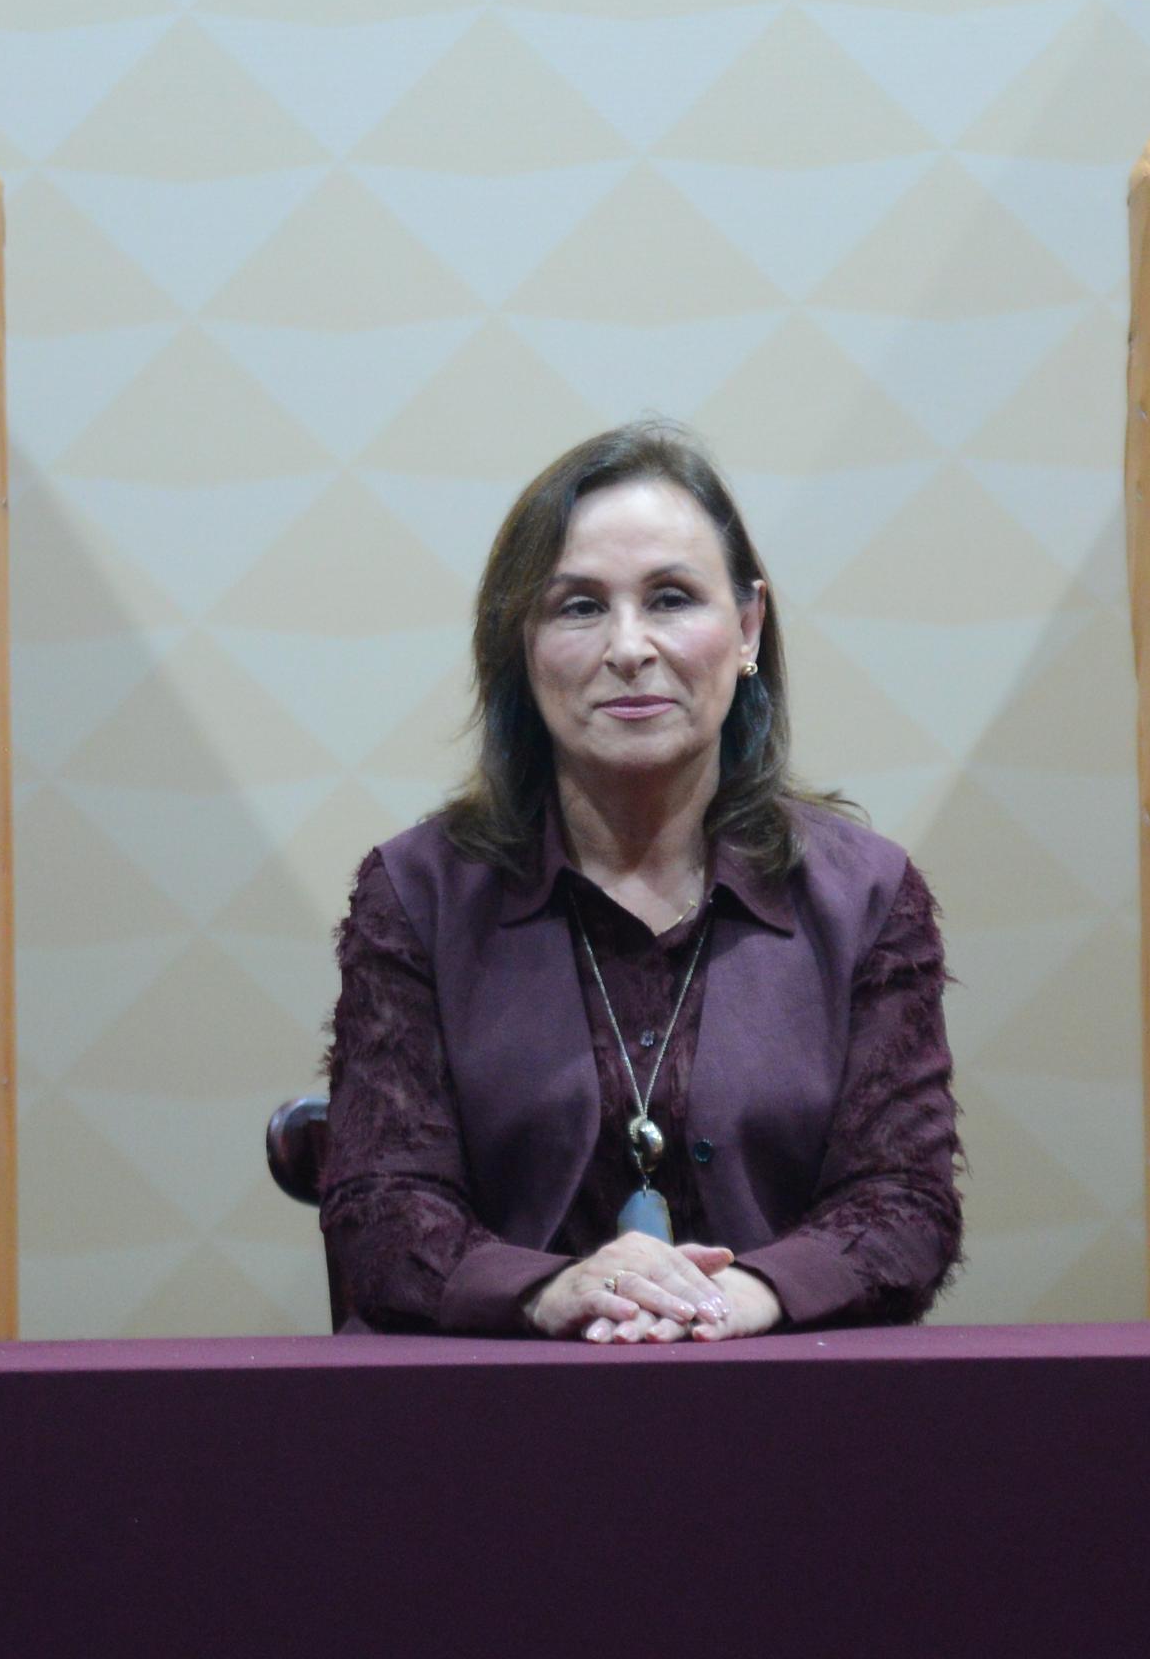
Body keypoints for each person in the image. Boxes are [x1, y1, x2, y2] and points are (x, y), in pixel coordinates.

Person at [318, 420, 959, 1339]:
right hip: (496, 1400)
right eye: (579, 606)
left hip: (787, 1392)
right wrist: (554, 1290)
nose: (629, 646)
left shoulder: (865, 896)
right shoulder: (417, 894)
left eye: (671, 598)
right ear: (521, 644)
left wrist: (740, 1298)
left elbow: (905, 1202)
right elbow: (379, 1210)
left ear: (748, 626)